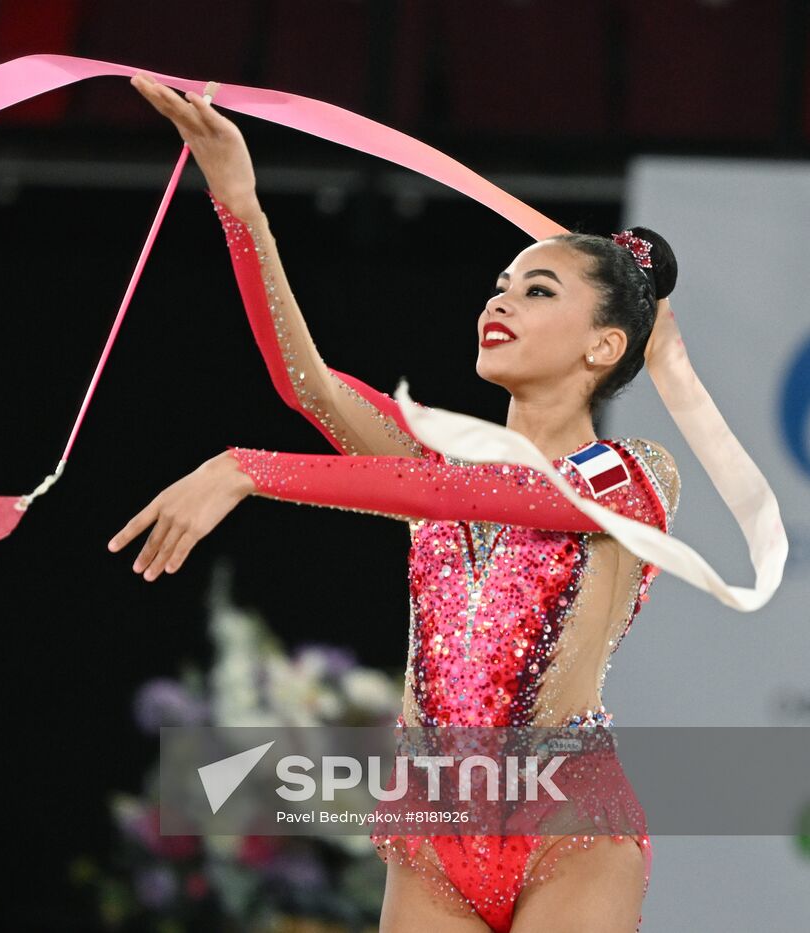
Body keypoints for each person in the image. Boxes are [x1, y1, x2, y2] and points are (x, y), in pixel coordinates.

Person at [108, 72, 686, 932]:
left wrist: (254, 469)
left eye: (538, 290)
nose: (500, 299)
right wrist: (242, 207)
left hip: (569, 820)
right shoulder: (433, 464)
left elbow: (490, 492)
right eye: (500, 283)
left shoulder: (634, 473)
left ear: (605, 344)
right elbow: (306, 385)